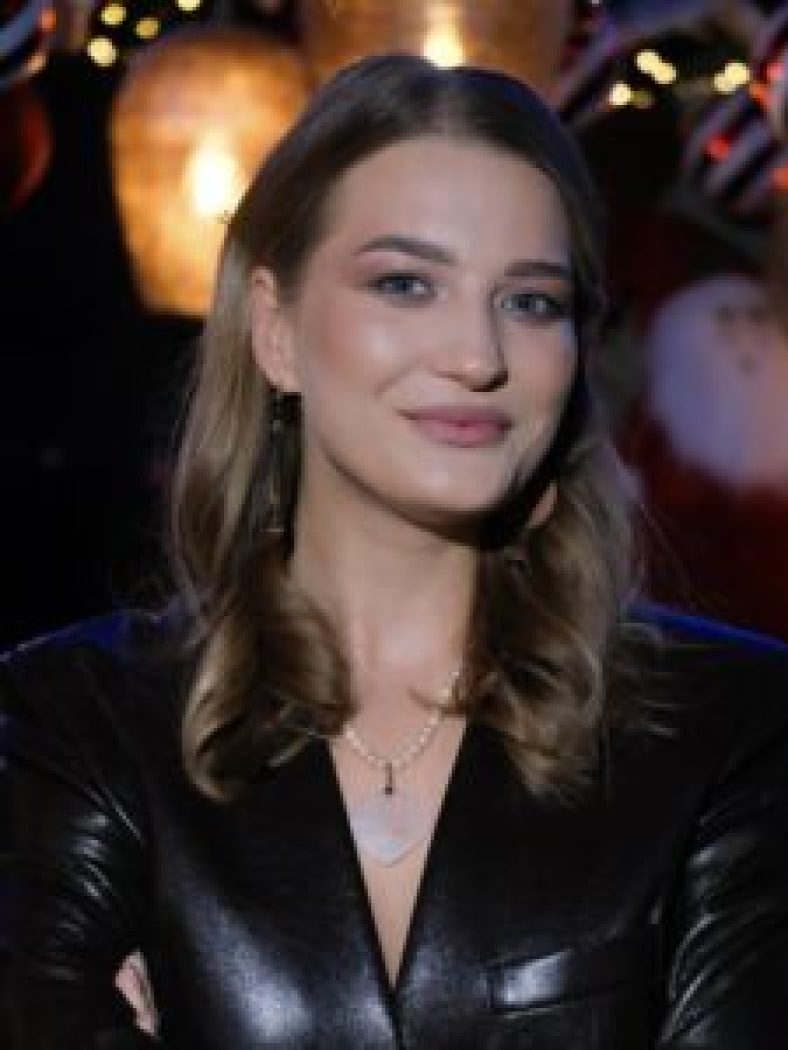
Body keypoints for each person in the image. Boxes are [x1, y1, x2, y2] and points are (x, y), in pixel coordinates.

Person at [2, 53, 787, 1049]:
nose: (477, 355)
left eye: (530, 301)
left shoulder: (735, 728)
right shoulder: (73, 720)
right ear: (276, 329)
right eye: (406, 284)